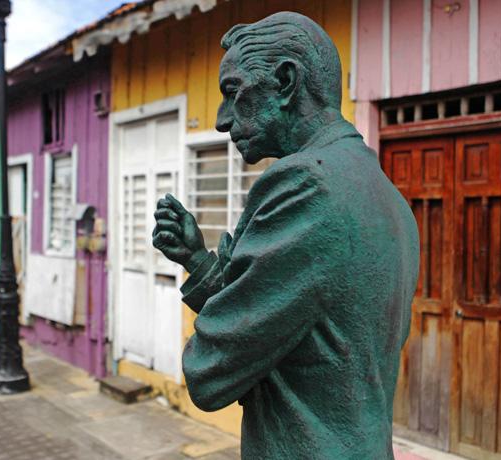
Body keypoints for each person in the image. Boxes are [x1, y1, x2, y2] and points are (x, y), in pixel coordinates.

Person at [152, 11, 420, 459]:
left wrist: (217, 337)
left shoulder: (305, 185)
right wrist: (199, 262)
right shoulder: (385, 195)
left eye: (233, 93)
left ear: (286, 82)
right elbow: (306, 324)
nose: (221, 120)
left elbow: (211, 371)